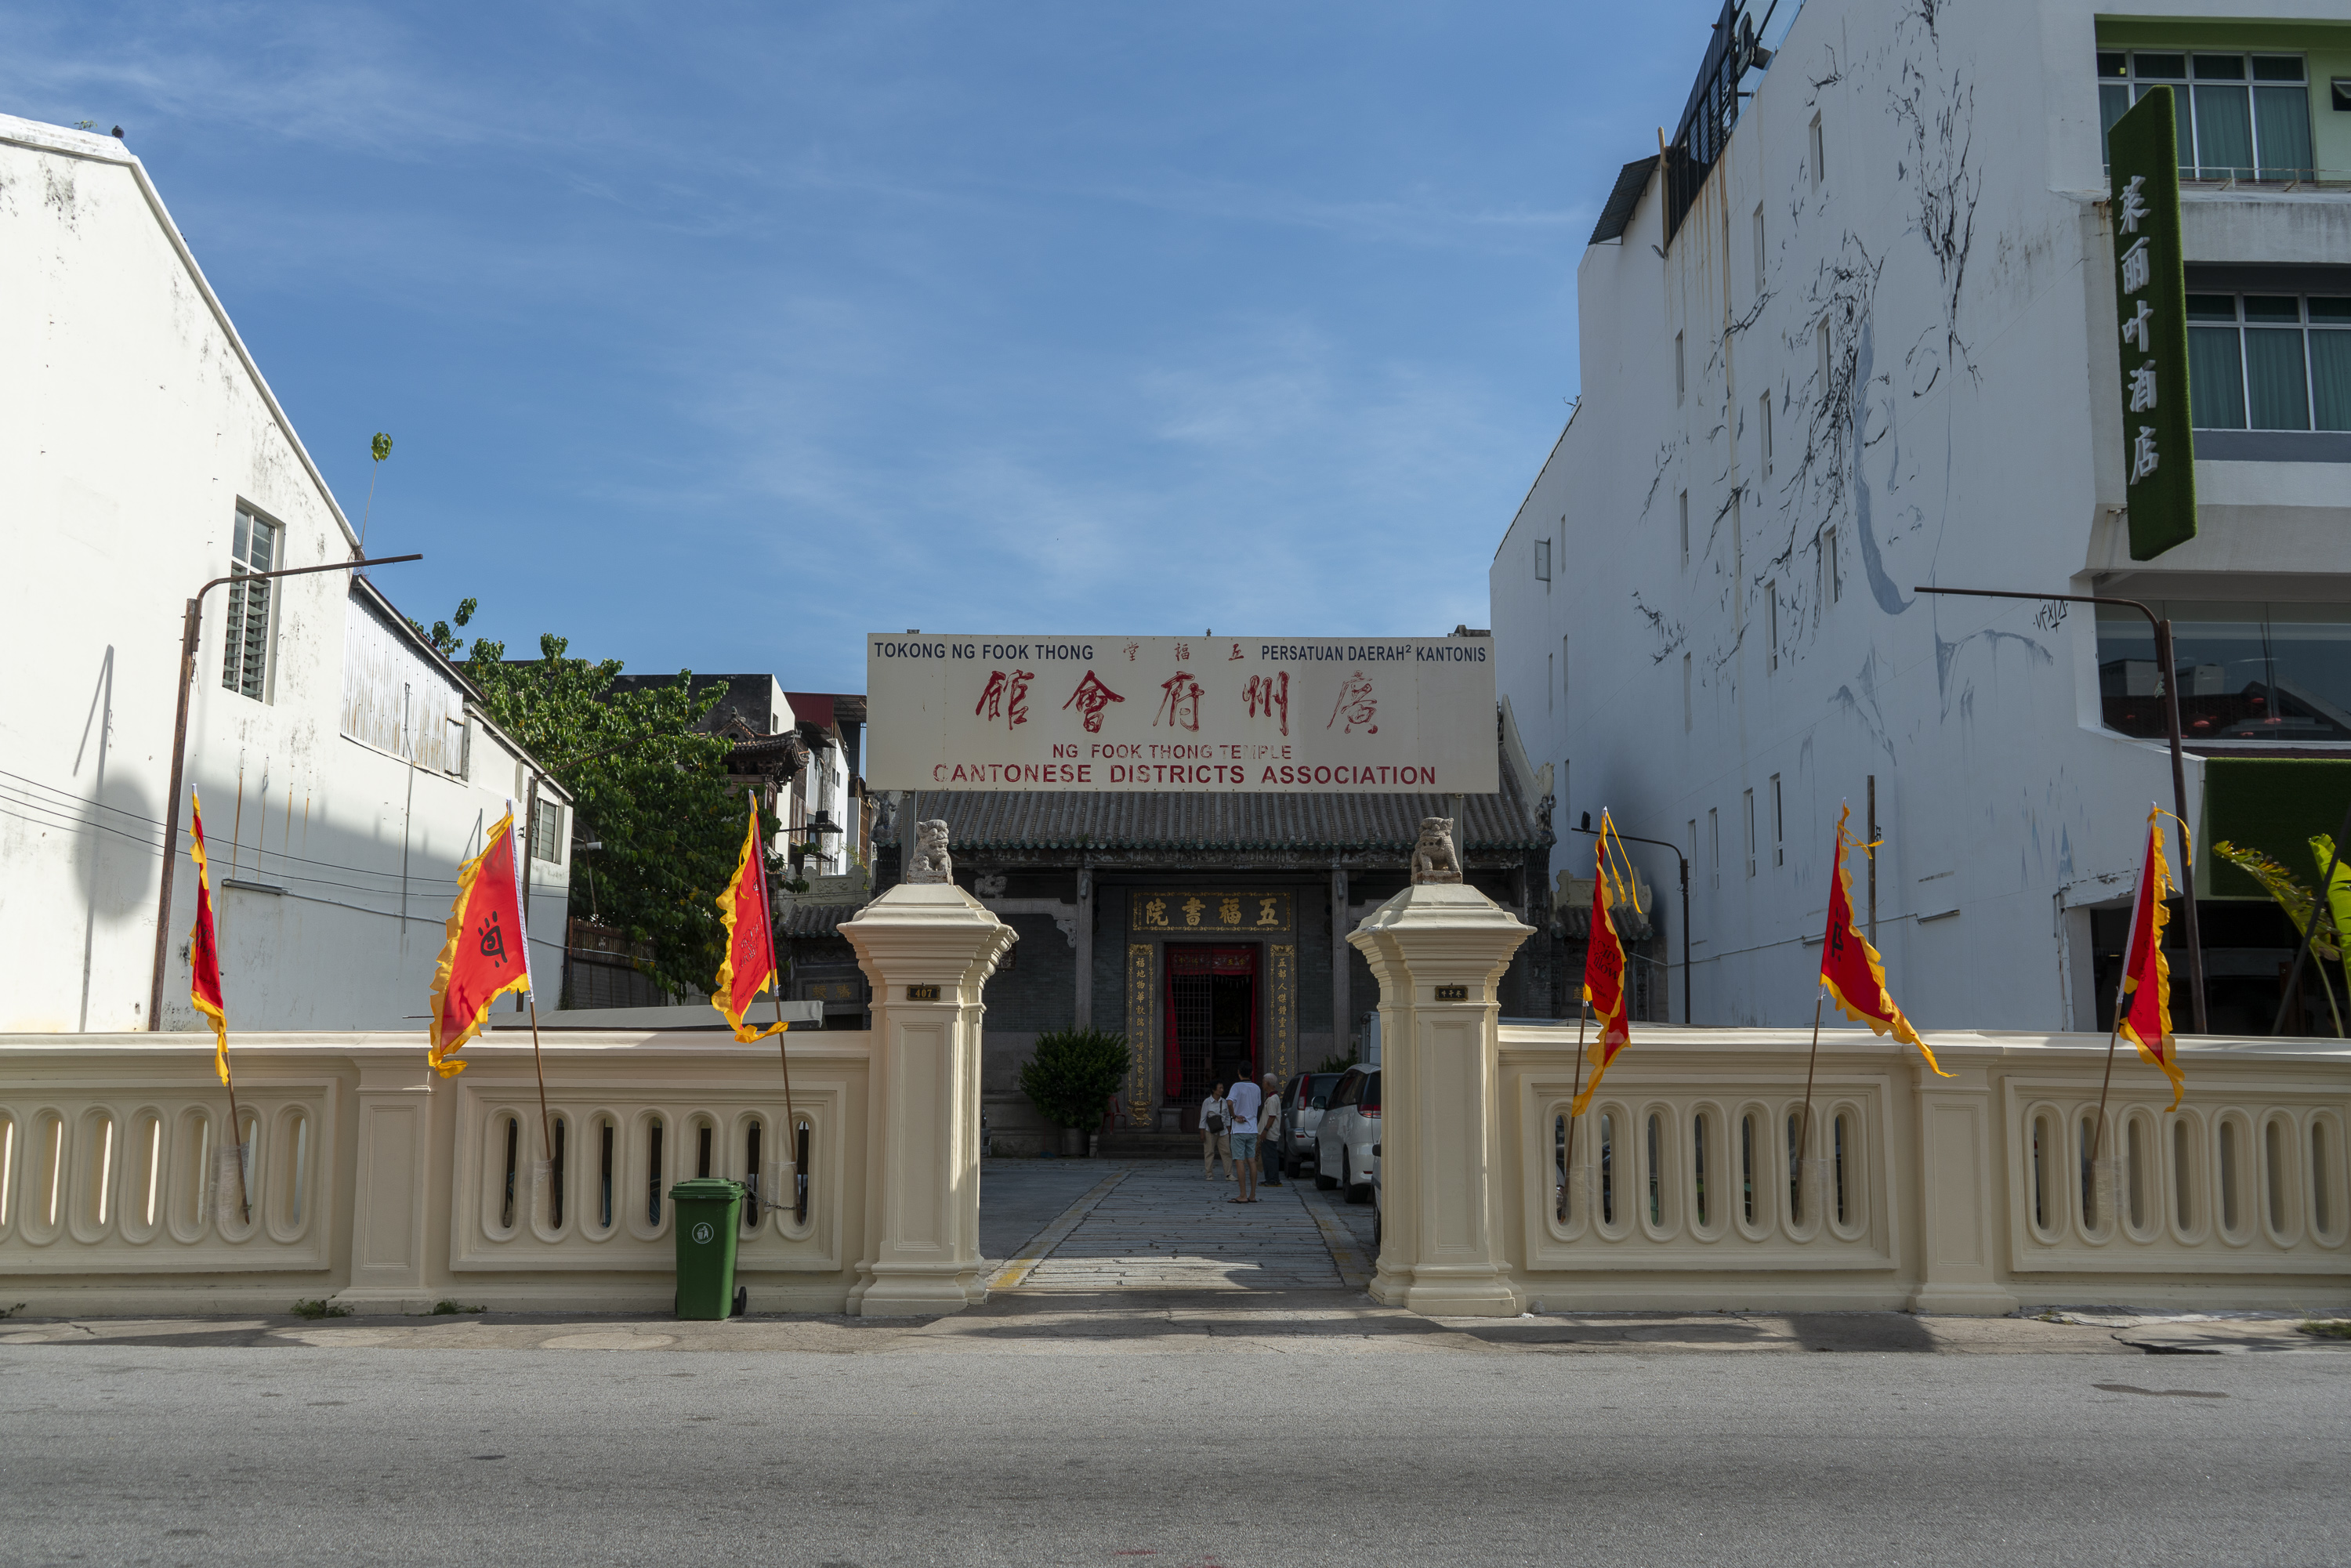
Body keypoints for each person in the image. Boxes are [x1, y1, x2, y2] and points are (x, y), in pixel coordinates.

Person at [1226, 1074, 1264, 1203]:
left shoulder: (1236, 1086)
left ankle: (1243, 1195)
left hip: (1239, 1130)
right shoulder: (1256, 1088)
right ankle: (1252, 1195)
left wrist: (1234, 1116)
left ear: (1239, 1072)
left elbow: (1229, 1102)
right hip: (1252, 1128)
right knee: (1252, 1161)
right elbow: (1258, 1104)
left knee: (1239, 1161)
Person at [1200, 1083, 1233, 1181]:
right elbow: (1203, 1117)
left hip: (1223, 1131)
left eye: (1222, 1088)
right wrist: (1202, 1132)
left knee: (1226, 1152)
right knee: (1209, 1152)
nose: (1222, 1090)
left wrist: (1229, 1130)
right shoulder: (1207, 1102)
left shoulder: (1225, 1102)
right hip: (1210, 1130)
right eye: (1220, 1088)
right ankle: (1209, 1173)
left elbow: (1227, 1117)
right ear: (1214, 1090)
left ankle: (1229, 1174)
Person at [1257, 1072, 1284, 1188]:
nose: (1262, 1084)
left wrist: (1265, 1130)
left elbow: (1272, 1116)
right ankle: (1269, 1178)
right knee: (1267, 1157)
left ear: (1267, 1083)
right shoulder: (1271, 1097)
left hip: (1270, 1134)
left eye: (1263, 1082)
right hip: (1267, 1133)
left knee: (1270, 1157)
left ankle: (1273, 1179)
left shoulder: (1273, 1099)